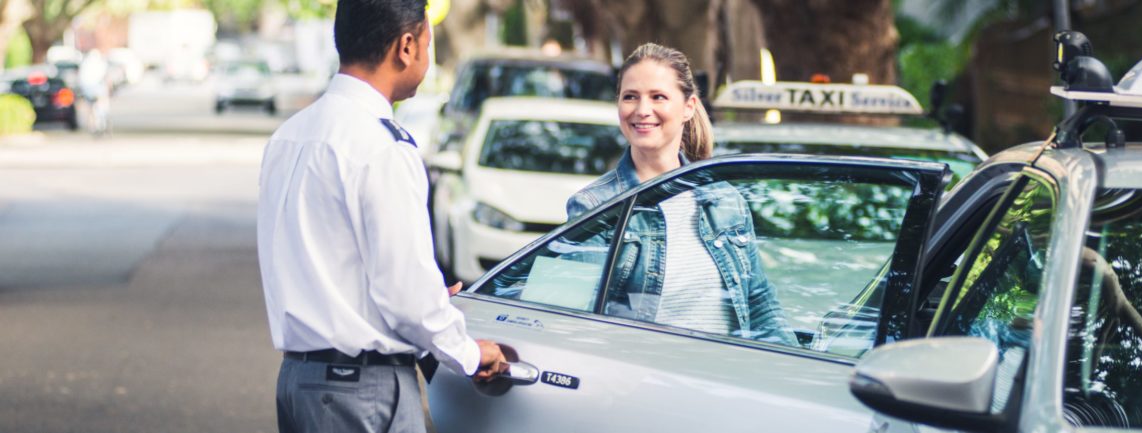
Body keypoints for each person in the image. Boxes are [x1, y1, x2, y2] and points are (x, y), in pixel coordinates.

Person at [256, 0, 509, 432]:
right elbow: (405, 292)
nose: (427, 58)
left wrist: (425, 296)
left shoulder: (290, 135)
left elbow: (330, 265)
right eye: (428, 44)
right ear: (406, 46)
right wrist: (468, 353)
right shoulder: (383, 147)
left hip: (299, 382)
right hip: (362, 389)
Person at [565, 43, 797, 346]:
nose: (642, 110)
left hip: (727, 380)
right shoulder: (595, 206)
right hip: (643, 381)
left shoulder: (724, 202)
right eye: (630, 97)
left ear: (689, 107)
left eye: (658, 96)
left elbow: (760, 303)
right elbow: (570, 314)